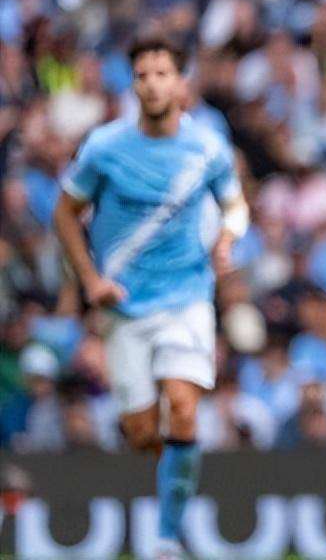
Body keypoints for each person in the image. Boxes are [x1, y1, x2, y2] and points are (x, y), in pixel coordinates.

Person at [52, 36, 248, 560]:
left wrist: (227, 240)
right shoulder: (105, 148)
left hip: (187, 296)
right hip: (124, 305)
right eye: (143, 75)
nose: (153, 84)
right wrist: (90, 280)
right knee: (142, 433)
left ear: (181, 82)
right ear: (132, 84)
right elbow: (65, 213)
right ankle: (175, 475)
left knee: (182, 407)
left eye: (163, 74)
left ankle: (165, 541)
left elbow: (235, 205)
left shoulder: (207, 147)